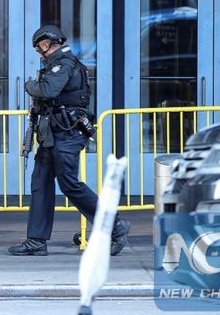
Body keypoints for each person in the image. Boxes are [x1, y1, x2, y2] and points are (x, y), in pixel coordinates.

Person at [9, 25, 130, 257]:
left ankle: (115, 225)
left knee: (70, 184)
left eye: (39, 47)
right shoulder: (57, 64)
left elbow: (48, 90)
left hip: (67, 134)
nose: (38, 52)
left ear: (47, 44)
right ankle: (36, 240)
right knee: (40, 184)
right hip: (51, 135)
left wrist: (28, 86)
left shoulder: (63, 64)